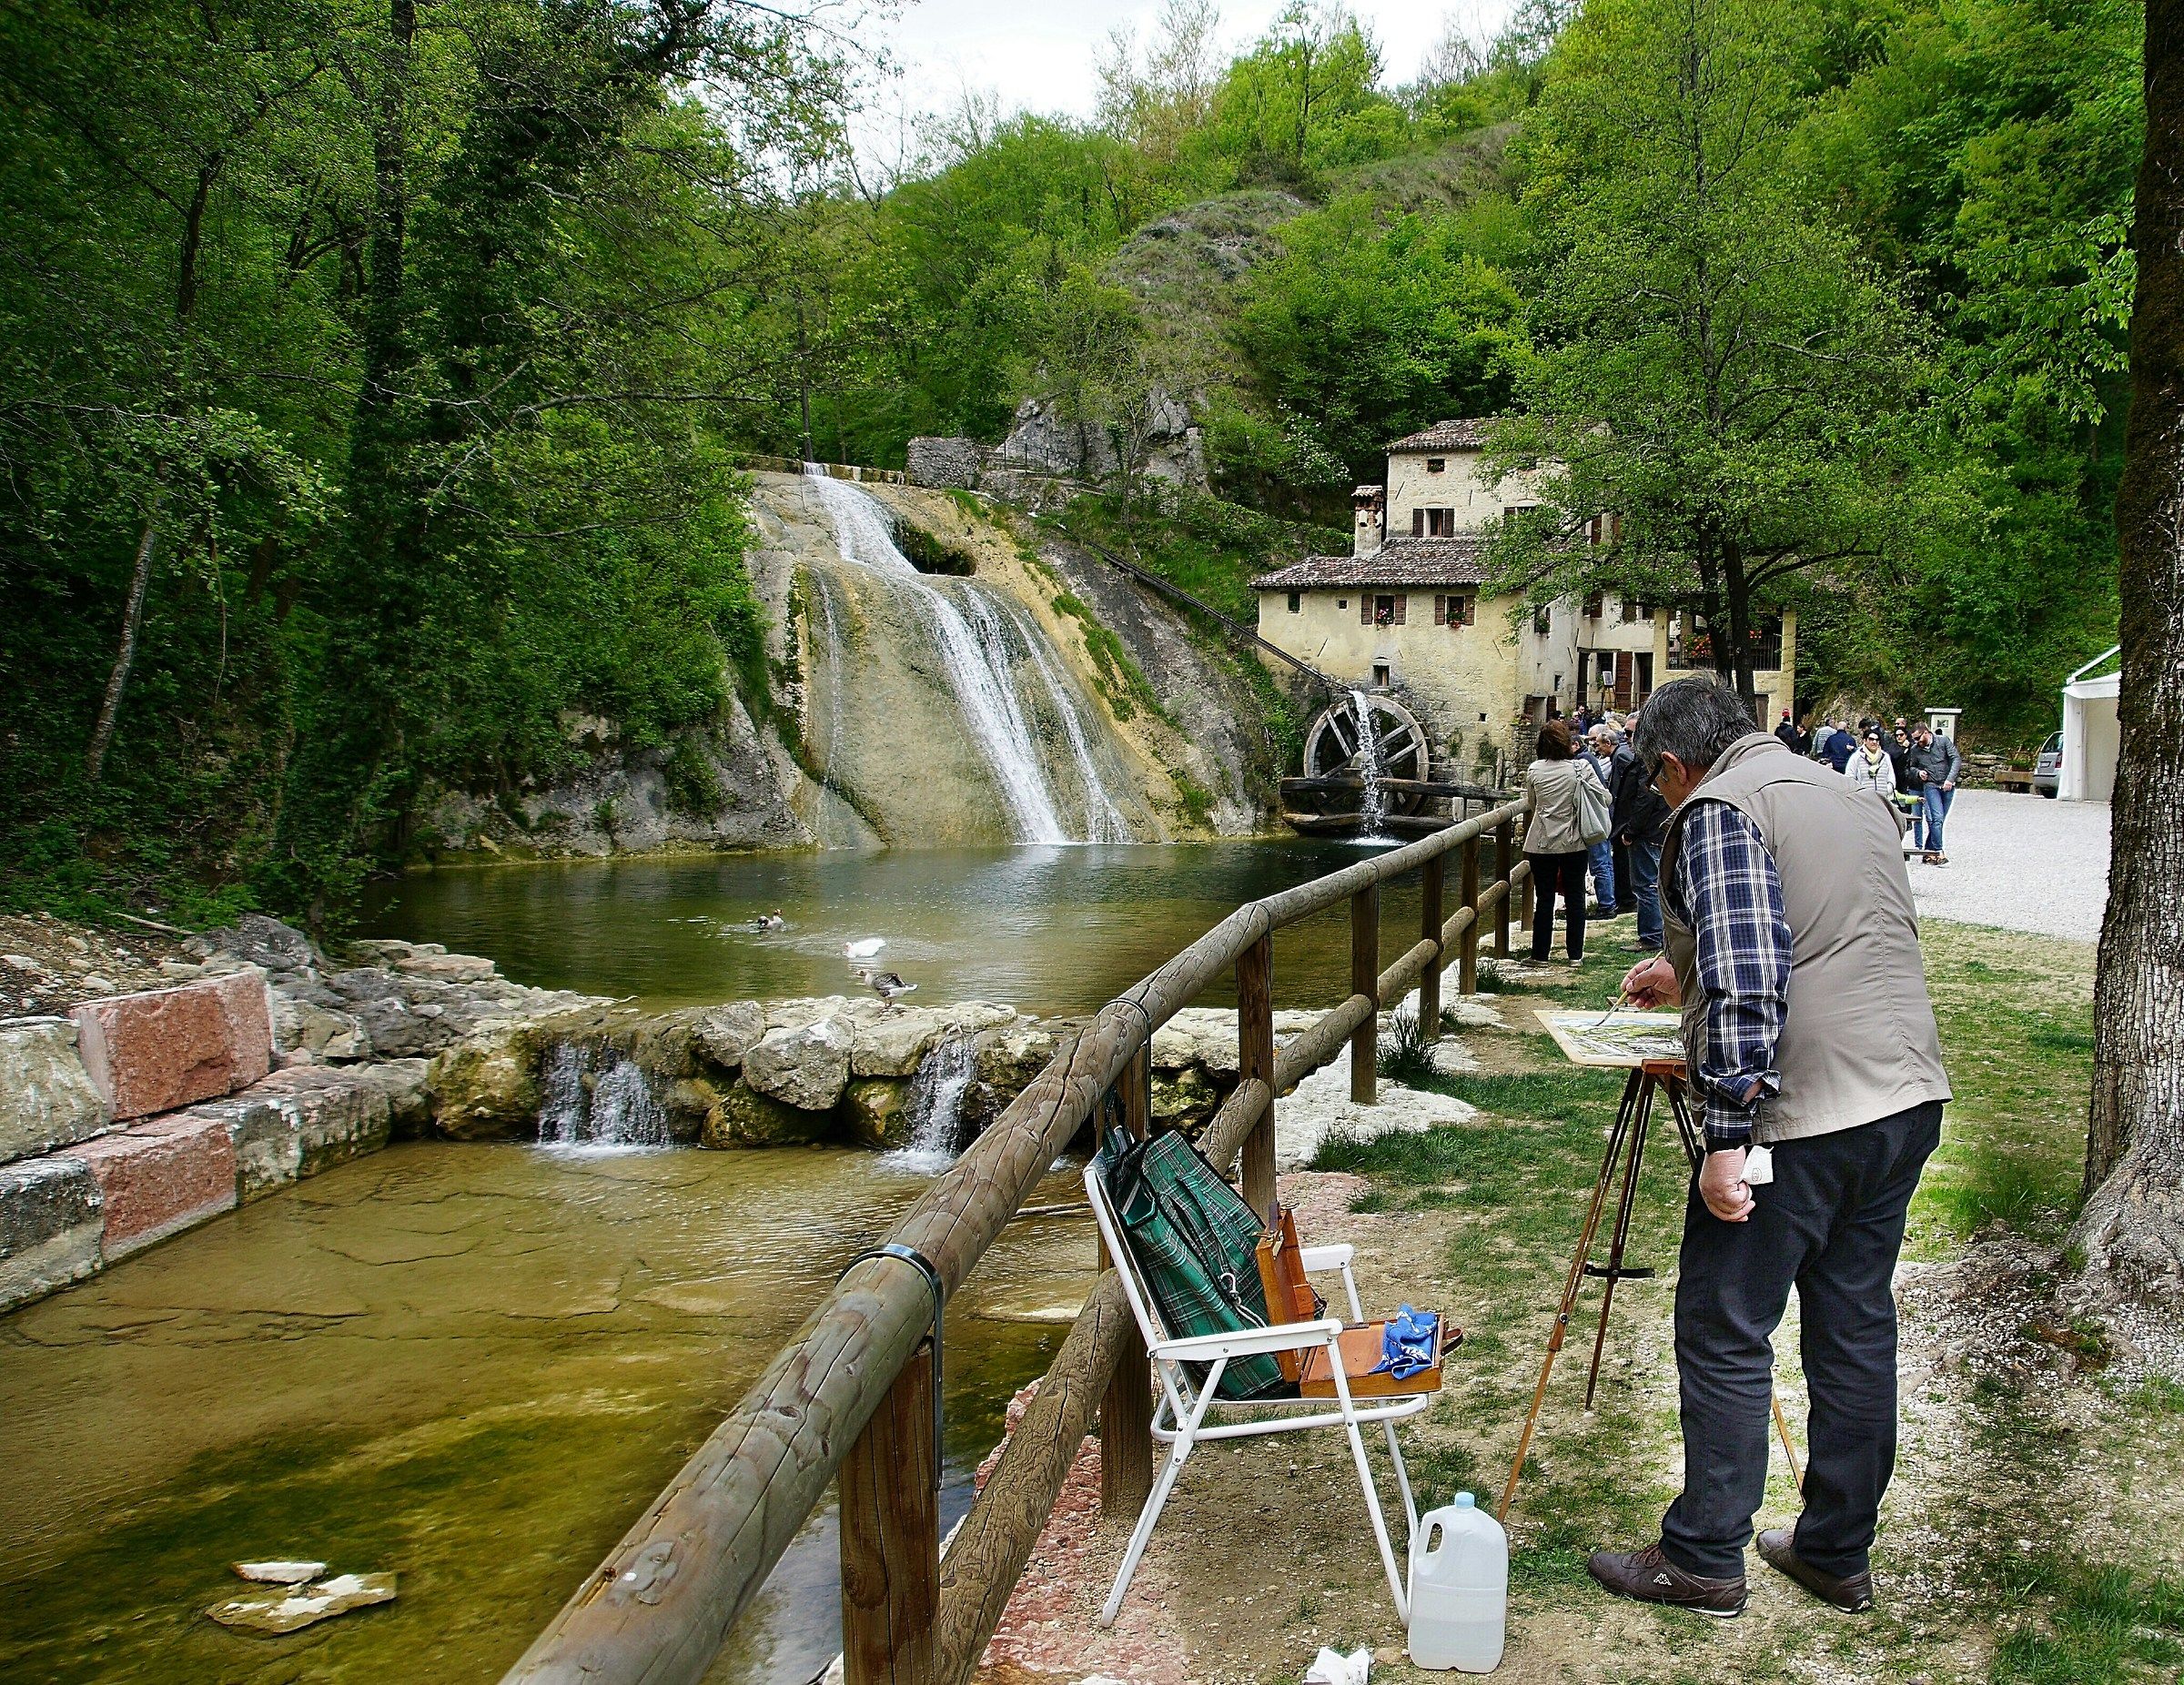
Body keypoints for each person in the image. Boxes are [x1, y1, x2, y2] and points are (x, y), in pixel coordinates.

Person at [1588, 676, 1950, 1619]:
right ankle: (1836, 1550)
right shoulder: (1847, 790)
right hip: (1905, 1092)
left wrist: (1729, 1135)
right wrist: (1682, 965)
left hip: (1802, 1112)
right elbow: (1826, 926)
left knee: (1724, 1325)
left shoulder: (1717, 806)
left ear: (1673, 765)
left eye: (1659, 784)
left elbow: (1753, 973)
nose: (1666, 798)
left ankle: (1704, 1554)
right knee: (1855, 1324)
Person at [1522, 719, 1606, 966]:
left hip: (1542, 842)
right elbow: (1603, 797)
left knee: (1545, 898)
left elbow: (1532, 803)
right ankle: (1575, 955)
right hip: (1574, 841)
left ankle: (1539, 954)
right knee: (1575, 896)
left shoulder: (1535, 770)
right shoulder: (1581, 769)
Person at [1611, 711, 1671, 950]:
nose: (1625, 737)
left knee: (1645, 885)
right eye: (1624, 732)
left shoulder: (1649, 761)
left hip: (1646, 833)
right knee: (1650, 884)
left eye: (1629, 732)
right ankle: (1655, 934)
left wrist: (1631, 831)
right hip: (1651, 830)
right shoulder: (1648, 758)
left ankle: (1651, 936)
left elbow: (1645, 799)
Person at [1901, 722, 1962, 865]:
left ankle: (1928, 851)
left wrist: (1950, 779)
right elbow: (1911, 767)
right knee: (1937, 818)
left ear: (1927, 733)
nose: (1916, 742)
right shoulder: (1915, 750)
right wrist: (1918, 772)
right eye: (1914, 739)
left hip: (1947, 785)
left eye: (1918, 738)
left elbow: (1956, 759)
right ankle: (1939, 852)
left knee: (1939, 821)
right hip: (1931, 785)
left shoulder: (1943, 741)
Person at [1597, 722, 1641, 916]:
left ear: (1607, 743)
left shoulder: (1622, 756)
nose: (1597, 749)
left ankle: (1626, 900)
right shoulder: (1620, 755)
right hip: (1622, 816)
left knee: (1622, 860)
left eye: (1598, 745)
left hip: (1623, 817)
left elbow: (1628, 787)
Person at [1580, 725, 1621, 916]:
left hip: (1595, 817)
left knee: (1599, 863)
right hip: (1603, 815)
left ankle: (1606, 905)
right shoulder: (1589, 759)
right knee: (1605, 861)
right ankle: (1610, 902)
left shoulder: (1583, 761)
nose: (1595, 746)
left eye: (1595, 742)